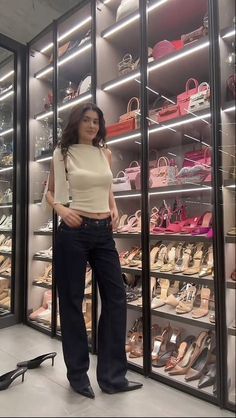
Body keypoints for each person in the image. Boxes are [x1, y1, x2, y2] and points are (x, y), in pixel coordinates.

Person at [45, 103, 143, 399]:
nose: (92, 126)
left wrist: (113, 208)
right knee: (73, 302)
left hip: (103, 233)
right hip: (73, 231)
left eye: (96, 121)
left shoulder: (105, 153)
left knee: (115, 298)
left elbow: (107, 186)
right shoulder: (62, 154)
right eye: (86, 120)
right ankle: (78, 375)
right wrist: (62, 210)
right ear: (76, 123)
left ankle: (113, 376)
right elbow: (49, 193)